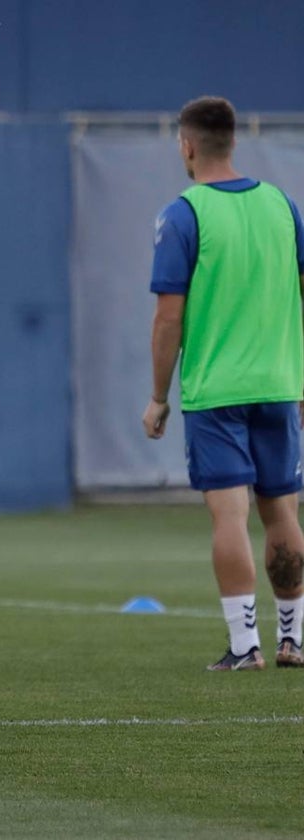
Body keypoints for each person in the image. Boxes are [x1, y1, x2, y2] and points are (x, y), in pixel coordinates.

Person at [142, 96, 304, 671]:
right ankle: (293, 638)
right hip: (280, 383)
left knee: (230, 516)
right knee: (282, 511)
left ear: (187, 146)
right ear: (233, 141)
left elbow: (168, 317)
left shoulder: (184, 214)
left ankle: (245, 646)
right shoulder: (283, 207)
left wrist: (160, 396)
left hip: (217, 389)